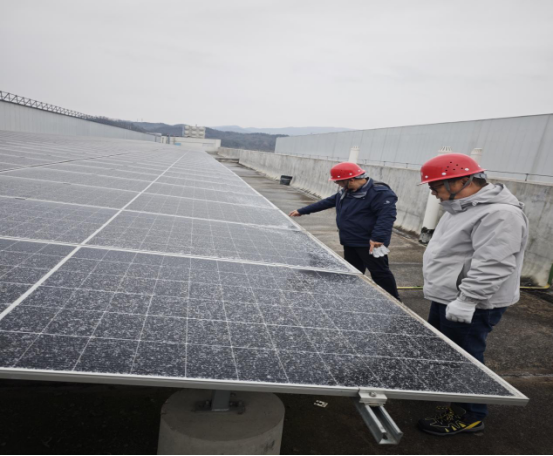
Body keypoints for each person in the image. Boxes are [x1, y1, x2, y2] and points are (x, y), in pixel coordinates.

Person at [418, 153, 529, 436]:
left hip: (472, 303)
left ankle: (472, 414)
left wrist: (467, 300)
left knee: (465, 357)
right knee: (447, 353)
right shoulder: (460, 206)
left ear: (463, 180)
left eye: (436, 185)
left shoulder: (500, 214)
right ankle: (454, 399)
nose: (433, 192)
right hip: (448, 296)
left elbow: (494, 263)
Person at [289, 162, 400, 300]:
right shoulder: (347, 191)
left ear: (351, 179)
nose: (338, 185)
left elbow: (386, 217)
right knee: (352, 271)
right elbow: (327, 202)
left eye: (339, 182)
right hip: (350, 240)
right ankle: (351, 298)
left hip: (371, 243)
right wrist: (302, 211)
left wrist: (378, 238)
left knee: (380, 273)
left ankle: (394, 301)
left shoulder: (380, 193)